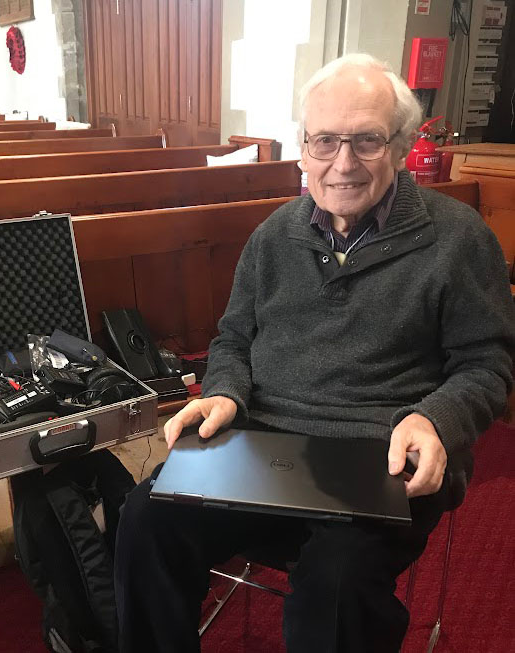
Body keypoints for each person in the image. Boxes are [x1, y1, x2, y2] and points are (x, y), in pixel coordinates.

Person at [114, 53, 515, 653]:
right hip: (265, 448)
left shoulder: (457, 240)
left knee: (336, 587)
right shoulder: (274, 235)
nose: (342, 164)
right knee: (145, 520)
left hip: (380, 461)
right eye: (324, 141)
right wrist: (224, 390)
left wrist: (436, 420)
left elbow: (488, 364)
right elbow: (233, 338)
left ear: (402, 144)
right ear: (303, 148)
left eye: (367, 141)